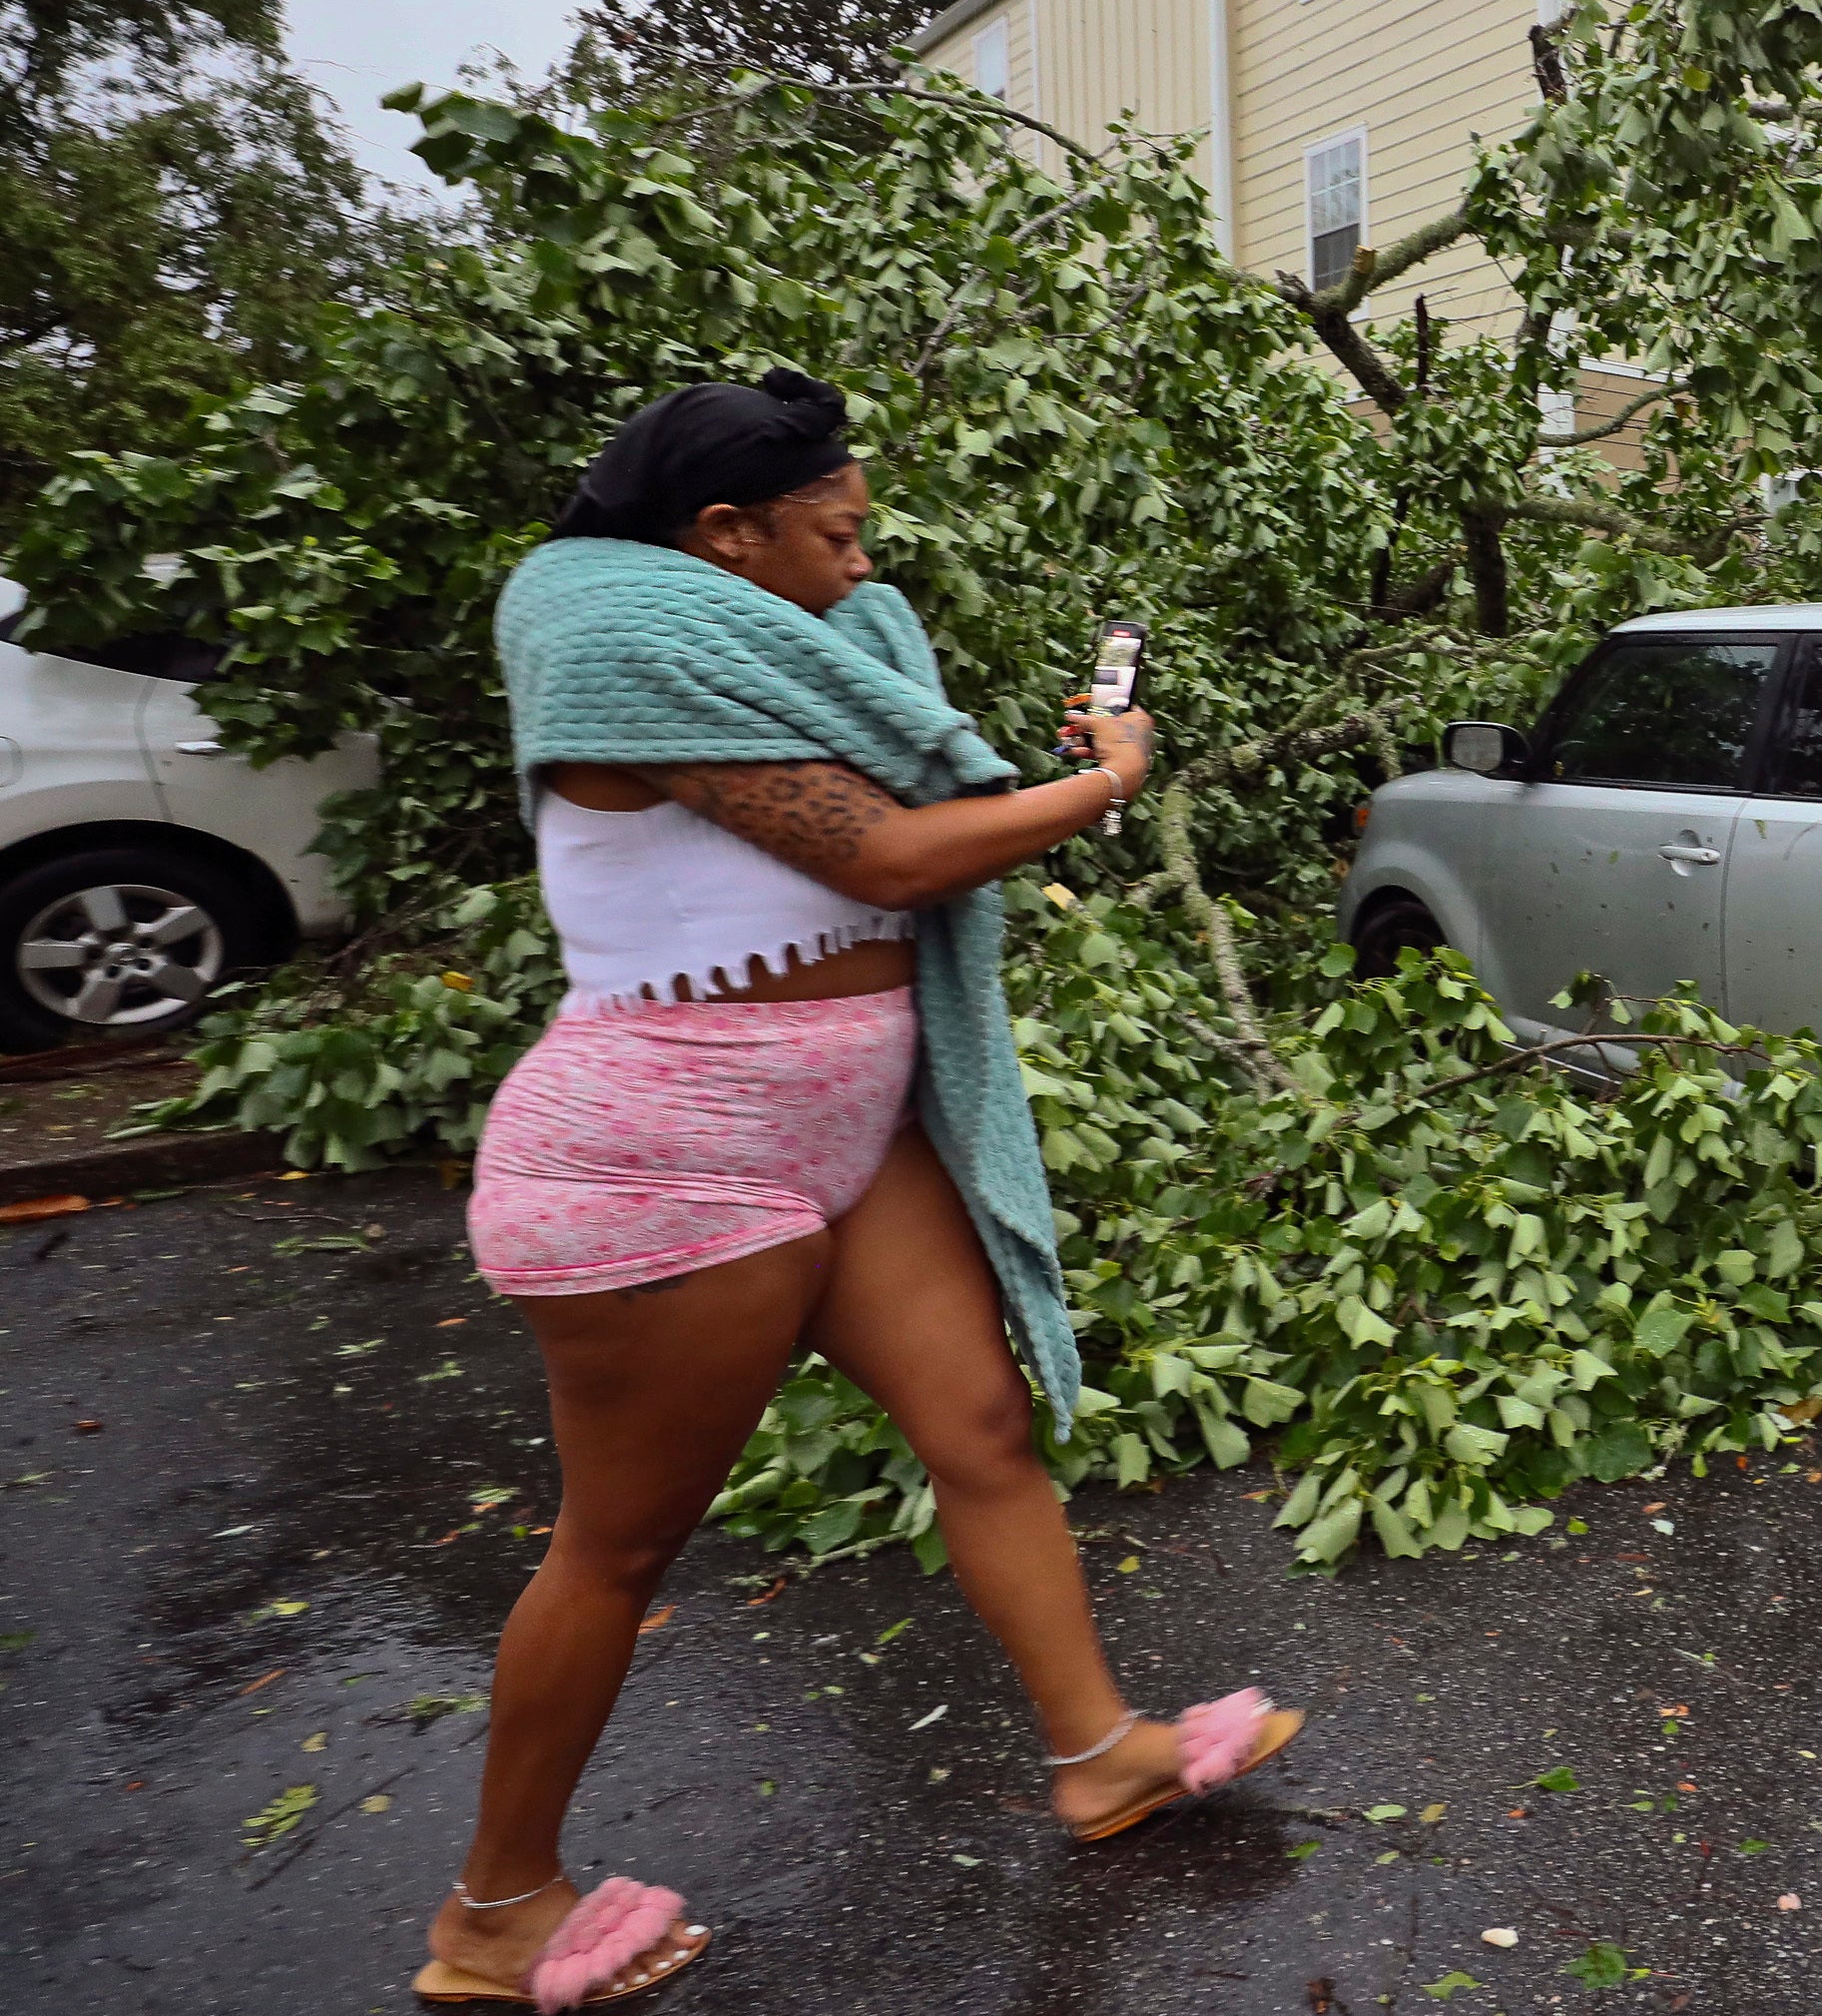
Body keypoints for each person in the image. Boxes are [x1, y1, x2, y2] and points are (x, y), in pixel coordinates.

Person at [411, 372, 1298, 2010]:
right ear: (725, 534)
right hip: (666, 1159)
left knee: (982, 1428)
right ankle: (496, 1908)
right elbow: (886, 860)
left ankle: (1099, 1752)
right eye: (836, 534)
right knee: (618, 1547)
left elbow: (913, 806)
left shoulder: (774, 657)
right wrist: (1109, 778)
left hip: (844, 1137)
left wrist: (1018, 772)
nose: (863, 562)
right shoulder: (630, 657)